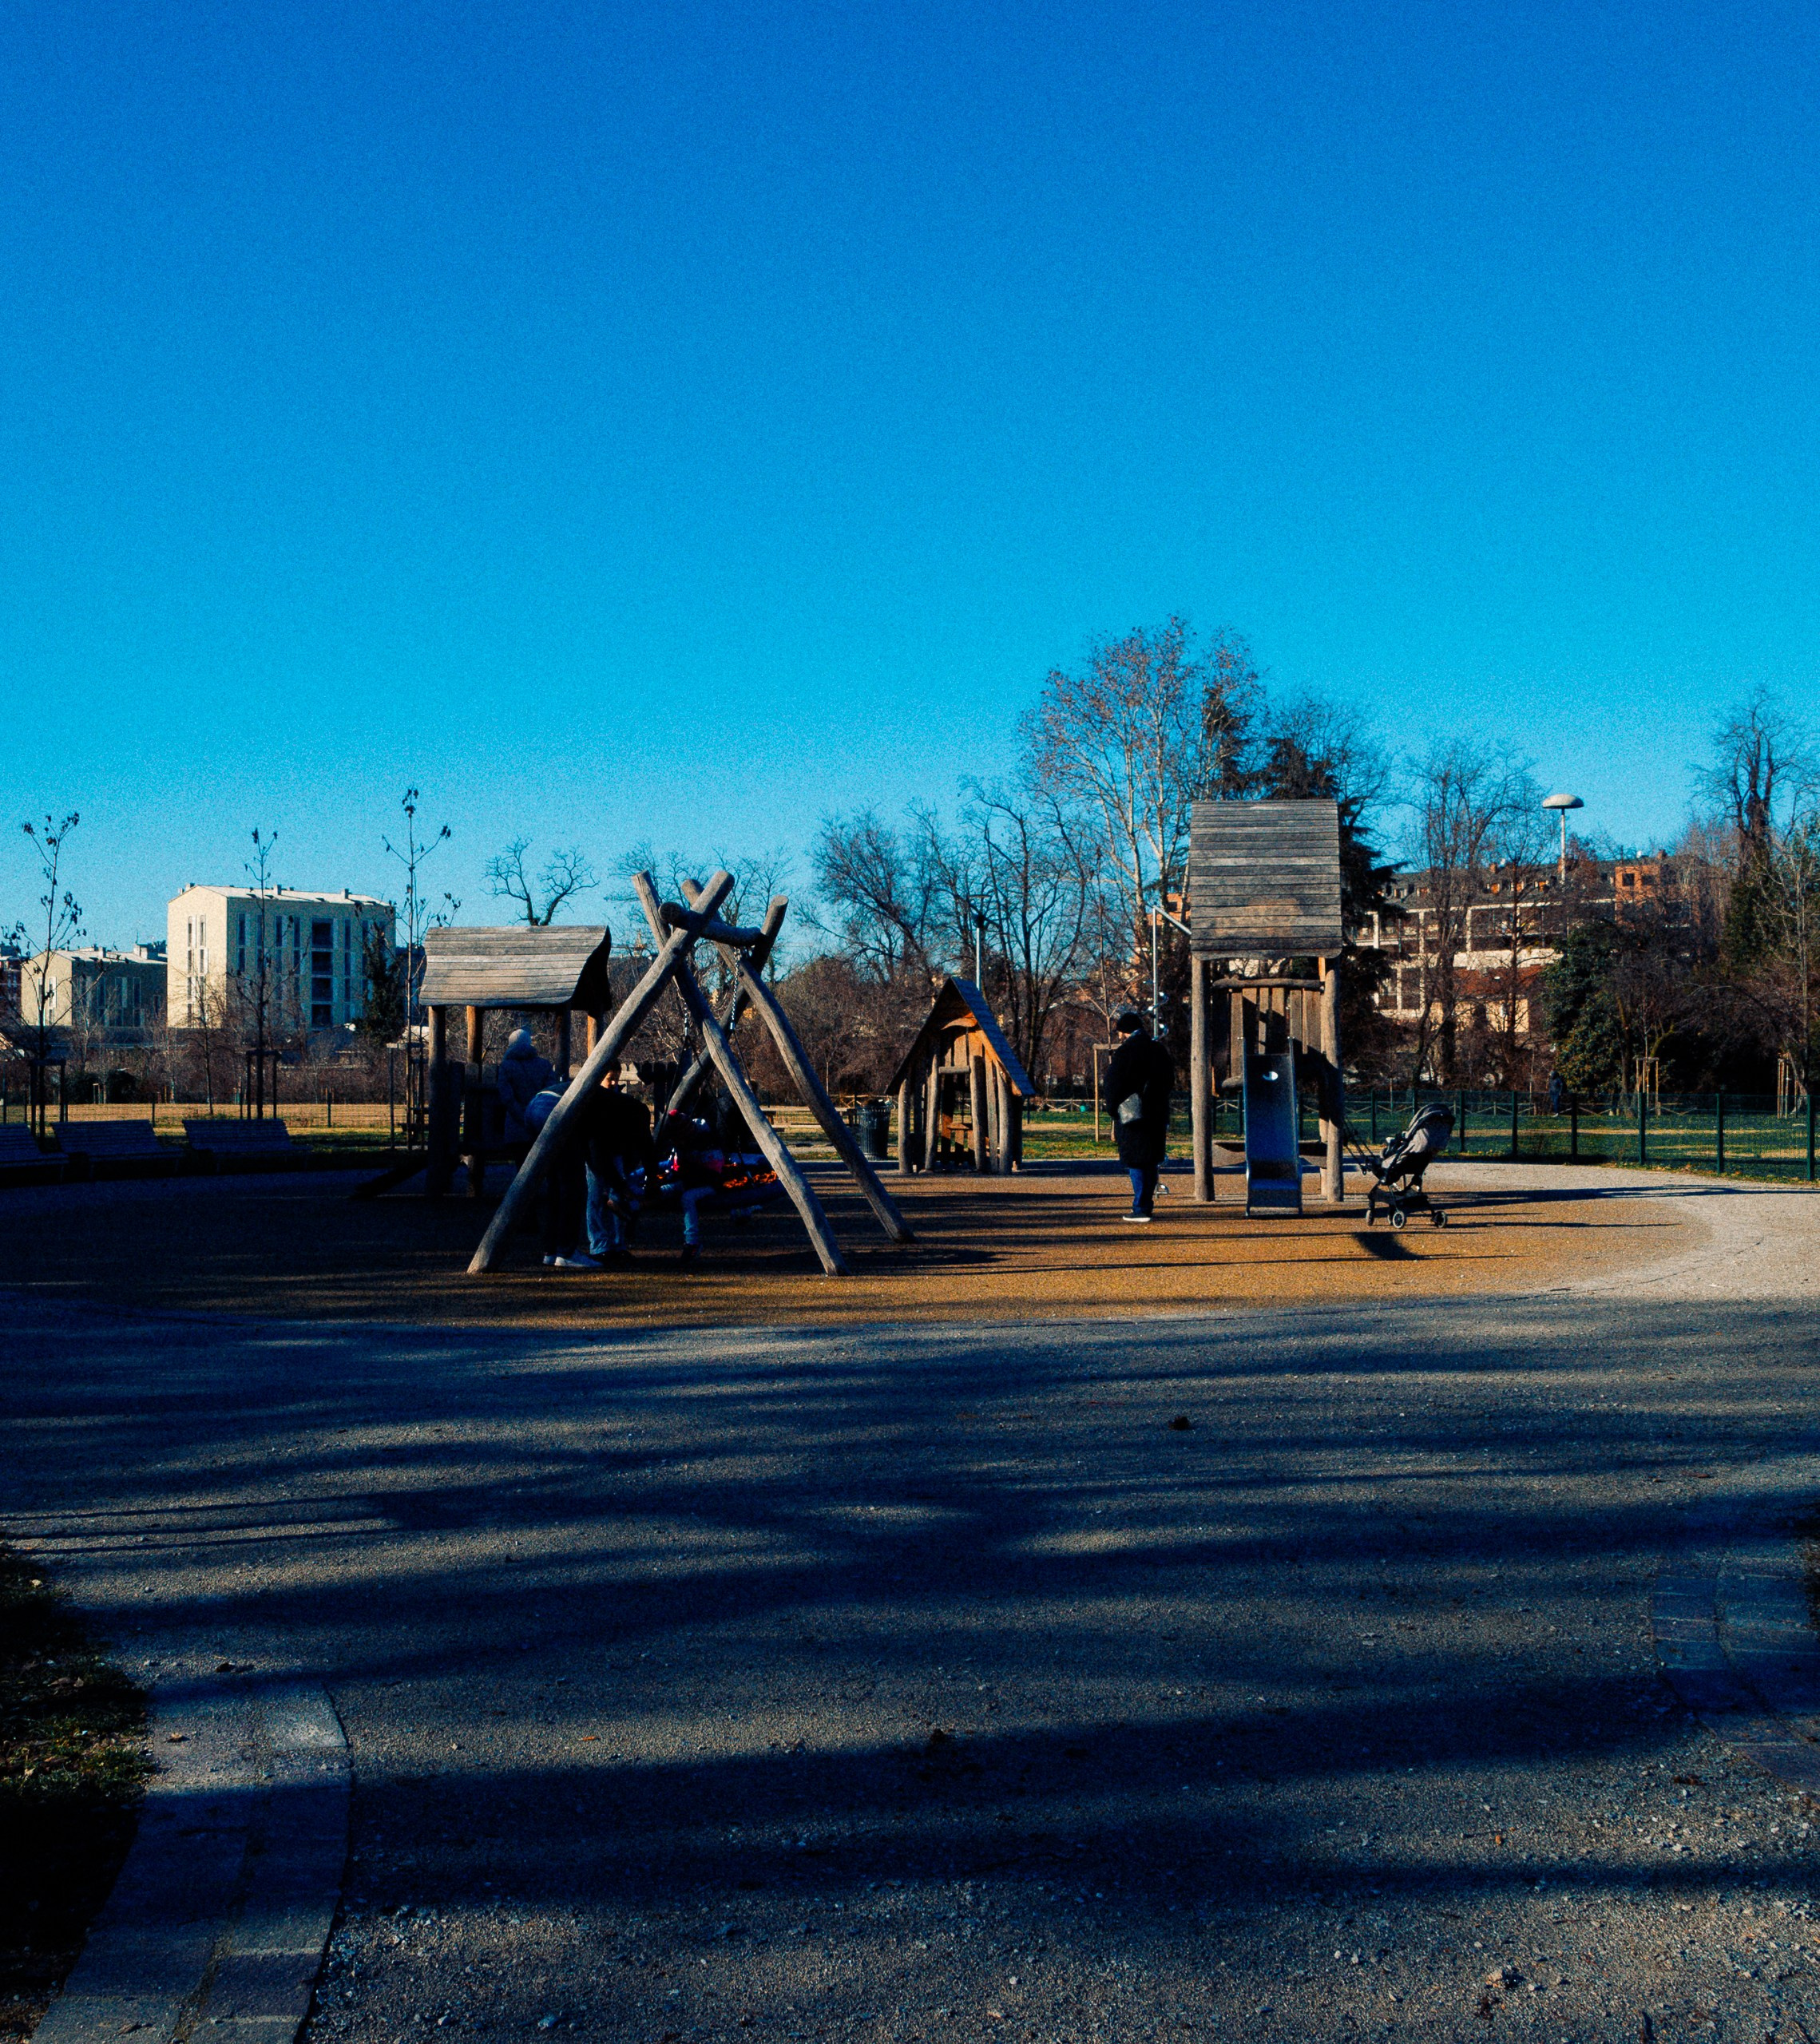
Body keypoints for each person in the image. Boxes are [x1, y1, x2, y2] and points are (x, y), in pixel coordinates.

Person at [1103, 1008, 1174, 1222]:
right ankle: (1146, 1205)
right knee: (1150, 1160)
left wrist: (1113, 1109)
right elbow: (1169, 1080)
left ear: (1125, 1031)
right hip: (1157, 1113)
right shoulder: (1158, 1049)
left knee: (1135, 1160)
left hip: (1132, 1114)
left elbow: (1112, 1084)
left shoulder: (1125, 1052)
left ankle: (1140, 1207)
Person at [498, 1028, 556, 1148]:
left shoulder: (506, 1067)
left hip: (515, 1126)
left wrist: (522, 1117)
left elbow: (507, 1097)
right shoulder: (544, 1065)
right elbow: (550, 1092)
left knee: (521, 1163)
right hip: (540, 1124)